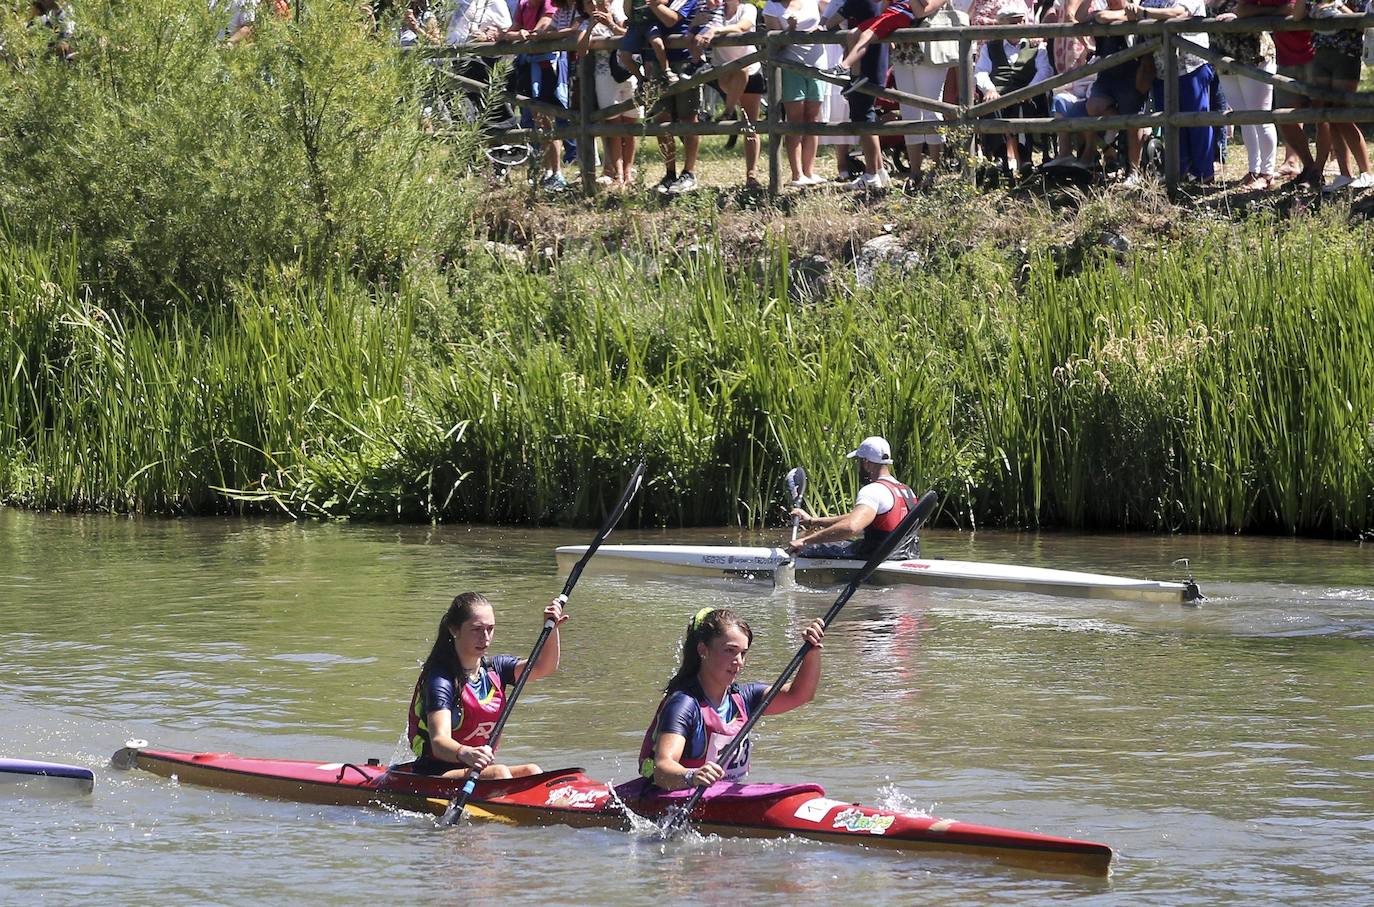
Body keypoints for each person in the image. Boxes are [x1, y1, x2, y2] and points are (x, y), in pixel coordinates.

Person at [637, 608, 826, 789]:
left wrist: (812, 650)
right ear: (703, 650)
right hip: (675, 798)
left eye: (743, 653)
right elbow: (662, 768)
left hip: (723, 797)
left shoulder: (744, 698)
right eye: (730, 650)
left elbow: (800, 694)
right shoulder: (684, 704)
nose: (739, 661)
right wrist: (692, 776)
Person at [406, 592, 568, 778]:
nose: (485, 637)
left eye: (490, 629)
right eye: (476, 629)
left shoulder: (496, 669)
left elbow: (543, 667)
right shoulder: (441, 680)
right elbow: (439, 742)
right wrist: (465, 752)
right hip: (435, 772)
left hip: (477, 771)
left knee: (532, 771)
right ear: (454, 629)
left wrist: (552, 628)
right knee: (499, 773)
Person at [787, 435, 922, 559]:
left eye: (858, 462)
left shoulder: (873, 490)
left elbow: (851, 527)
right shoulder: (907, 491)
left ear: (866, 463)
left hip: (875, 557)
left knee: (807, 546)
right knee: (839, 542)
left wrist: (804, 541)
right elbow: (861, 518)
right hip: (905, 555)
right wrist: (814, 521)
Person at [1298, 0, 1373, 192]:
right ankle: (1345, 174)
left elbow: (1363, 25)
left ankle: (1367, 173)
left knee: (1343, 115)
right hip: (1321, 54)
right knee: (1330, 116)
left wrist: (1337, 5)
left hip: (1347, 55)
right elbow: (1298, 15)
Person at [974, 2, 1054, 178]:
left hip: (1027, 94)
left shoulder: (1035, 45)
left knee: (1026, 106)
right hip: (999, 93)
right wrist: (990, 89)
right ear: (1002, 24)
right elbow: (980, 71)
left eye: (1022, 21)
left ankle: (1025, 159)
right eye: (1013, 22)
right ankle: (1000, 157)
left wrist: (1030, 90)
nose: (1019, 26)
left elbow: (1045, 71)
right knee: (990, 105)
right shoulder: (990, 47)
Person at [1207, 0, 1277, 190]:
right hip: (1225, 61)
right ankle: (1253, 170)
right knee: (1243, 117)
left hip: (1255, 57)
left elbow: (1264, 10)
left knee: (1260, 116)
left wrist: (1238, 17)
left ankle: (1267, 173)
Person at [823, 0, 893, 189]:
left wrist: (822, 26)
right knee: (867, 115)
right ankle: (878, 171)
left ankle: (871, 175)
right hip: (875, 59)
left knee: (862, 117)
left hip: (865, 64)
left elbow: (831, 20)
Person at [699, 0, 765, 188]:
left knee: (750, 125)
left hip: (751, 70)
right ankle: (729, 111)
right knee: (738, 71)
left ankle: (751, 174)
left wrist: (715, 31)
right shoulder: (712, 10)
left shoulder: (748, 9)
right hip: (723, 72)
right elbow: (694, 26)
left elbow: (742, 27)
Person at [580, 0, 642, 187]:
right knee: (613, 125)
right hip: (604, 76)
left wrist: (610, 24)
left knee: (630, 124)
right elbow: (581, 50)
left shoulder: (620, 15)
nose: (595, 5)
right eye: (589, 3)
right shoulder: (585, 23)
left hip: (627, 73)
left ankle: (628, 171)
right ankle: (618, 173)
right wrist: (591, 27)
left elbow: (630, 38)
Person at [765, 0, 827, 187]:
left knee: (813, 118)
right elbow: (774, 45)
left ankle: (810, 171)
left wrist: (825, 26)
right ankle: (797, 174)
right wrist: (788, 32)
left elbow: (834, 13)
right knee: (795, 119)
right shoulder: (771, 7)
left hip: (817, 65)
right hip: (789, 66)